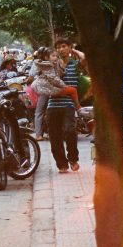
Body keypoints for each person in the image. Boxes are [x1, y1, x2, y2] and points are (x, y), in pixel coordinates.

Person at [47, 38, 84, 173]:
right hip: (52, 104)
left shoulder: (75, 64)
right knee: (54, 136)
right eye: (58, 47)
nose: (61, 49)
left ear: (69, 47)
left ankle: (73, 159)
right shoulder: (52, 65)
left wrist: (74, 50)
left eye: (64, 46)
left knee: (70, 131)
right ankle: (62, 164)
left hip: (68, 104)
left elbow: (84, 58)